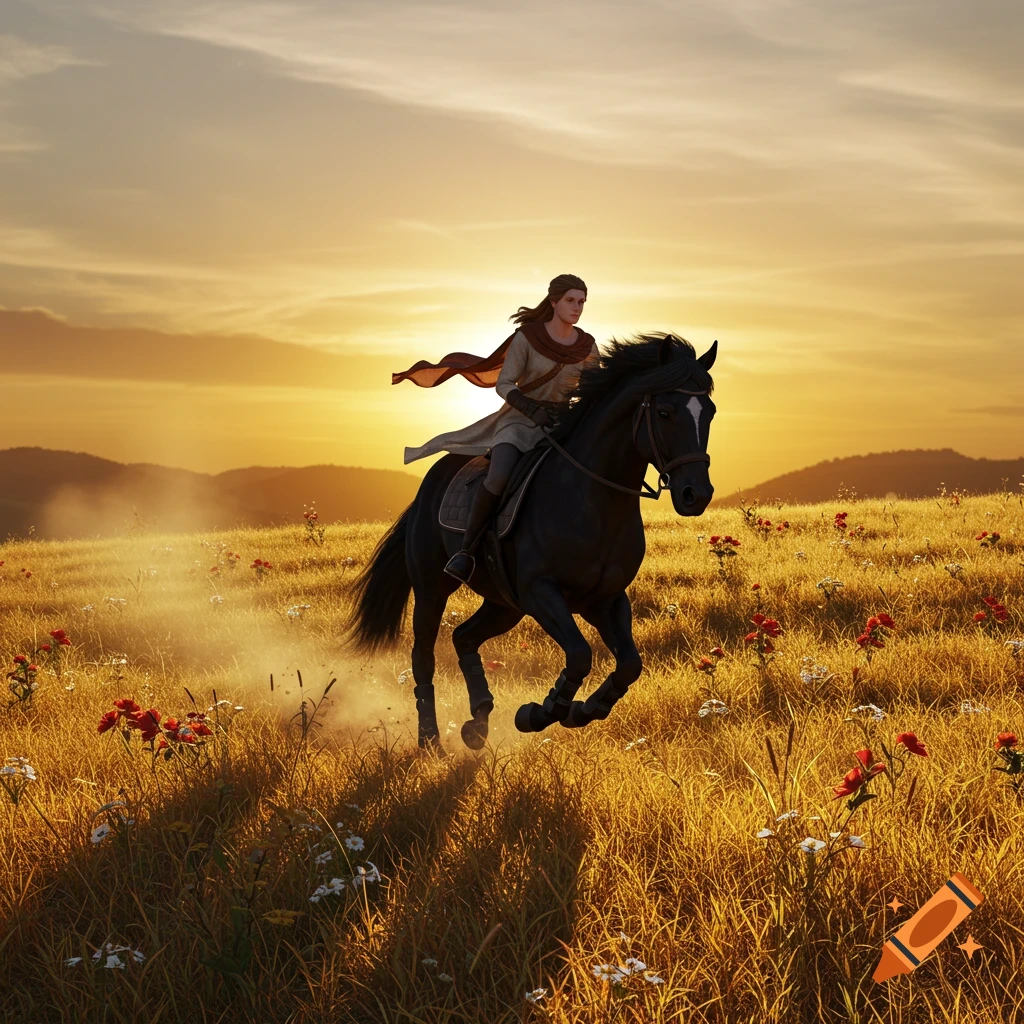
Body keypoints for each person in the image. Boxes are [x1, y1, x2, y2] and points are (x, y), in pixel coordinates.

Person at [393, 273, 601, 582]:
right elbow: (504, 384)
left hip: (562, 425)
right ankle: (466, 551)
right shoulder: (528, 338)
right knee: (500, 473)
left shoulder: (587, 345)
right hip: (518, 421)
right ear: (554, 302)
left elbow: (595, 388)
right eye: (570, 300)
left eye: (582, 302)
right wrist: (530, 408)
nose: (577, 308)